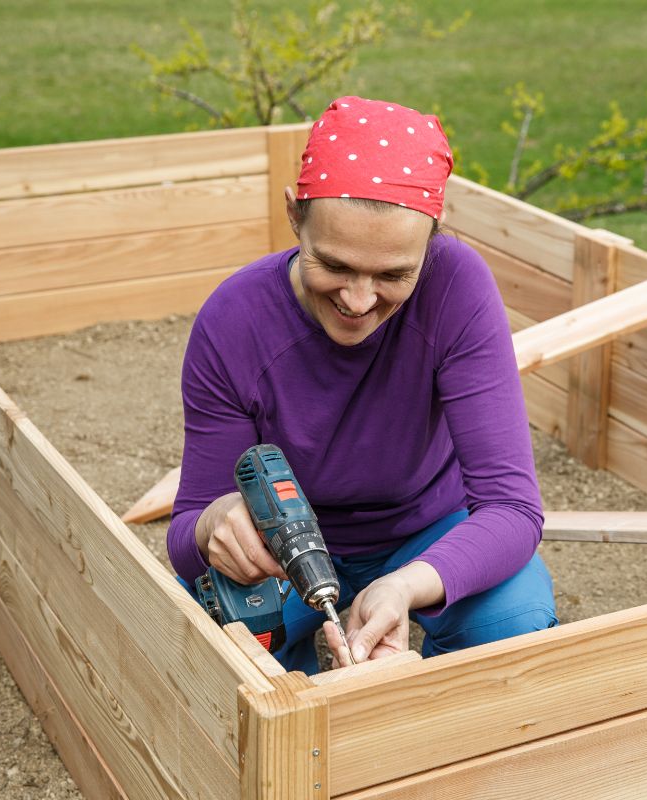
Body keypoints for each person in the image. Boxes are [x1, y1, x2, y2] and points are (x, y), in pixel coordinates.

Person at [168, 96, 557, 674]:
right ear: (294, 215)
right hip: (286, 546)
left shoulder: (457, 288)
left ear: (432, 242)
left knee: (512, 623)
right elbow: (184, 539)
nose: (358, 301)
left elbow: (512, 510)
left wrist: (403, 587)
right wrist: (213, 525)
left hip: (427, 528)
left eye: (394, 274)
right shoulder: (235, 320)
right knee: (227, 643)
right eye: (334, 265)